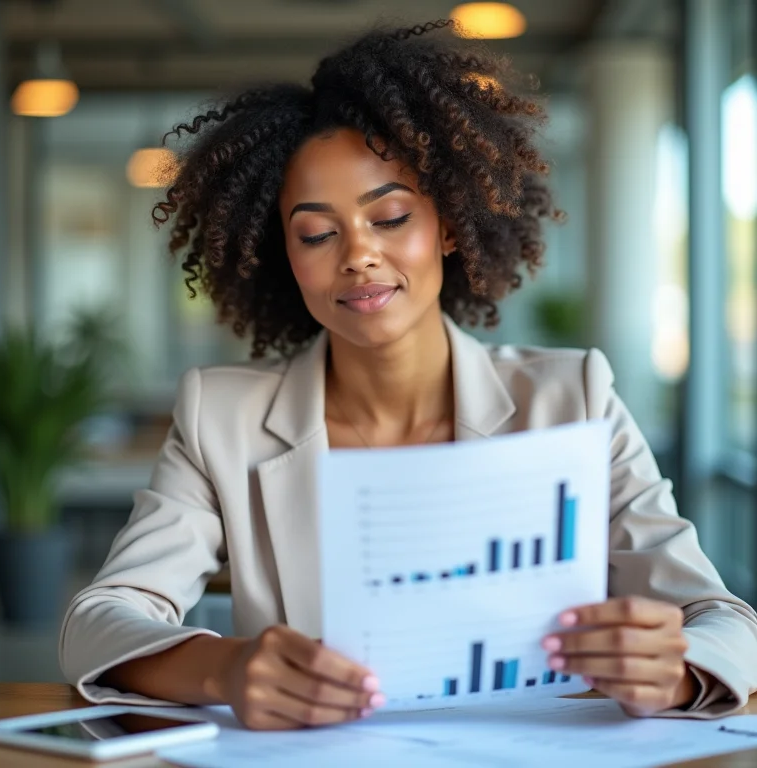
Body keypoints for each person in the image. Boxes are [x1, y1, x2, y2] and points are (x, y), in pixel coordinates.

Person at [60, 19, 757, 730]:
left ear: (449, 224)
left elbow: (723, 620)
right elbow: (98, 621)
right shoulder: (222, 418)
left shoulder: (572, 398)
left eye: (390, 217)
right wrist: (226, 667)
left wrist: (676, 670)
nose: (358, 256)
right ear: (285, 256)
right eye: (317, 233)